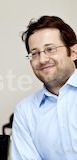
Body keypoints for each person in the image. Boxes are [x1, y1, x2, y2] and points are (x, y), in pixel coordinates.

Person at [11, 15, 77, 159]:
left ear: (73, 52)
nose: (42, 59)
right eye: (35, 53)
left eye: (50, 49)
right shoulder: (25, 111)